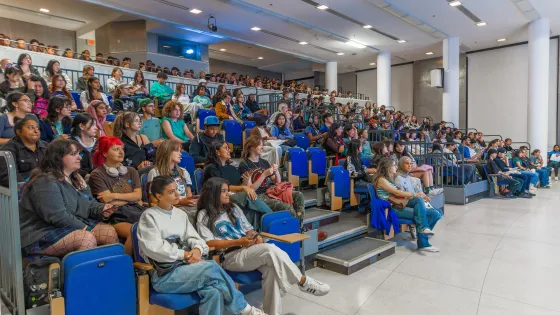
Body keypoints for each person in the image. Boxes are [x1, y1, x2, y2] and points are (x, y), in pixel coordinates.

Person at [196, 177, 329, 315]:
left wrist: (256, 236)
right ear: (213, 193)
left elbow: (248, 229)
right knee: (269, 250)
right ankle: (302, 281)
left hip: (247, 248)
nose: (227, 194)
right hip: (229, 256)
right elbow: (208, 243)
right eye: (223, 191)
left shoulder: (233, 208)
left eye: (227, 191)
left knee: (271, 270)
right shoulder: (204, 215)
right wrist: (238, 242)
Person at [137, 176, 267, 315]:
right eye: (171, 192)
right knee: (211, 266)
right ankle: (245, 310)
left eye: (176, 190)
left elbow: (195, 238)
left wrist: (198, 249)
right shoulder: (149, 216)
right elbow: (155, 249)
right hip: (165, 276)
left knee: (214, 292)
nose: (177, 195)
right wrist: (185, 254)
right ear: (159, 196)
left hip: (189, 267)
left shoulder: (180, 214)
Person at [19, 139, 119, 257]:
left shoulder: (76, 178)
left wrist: (102, 209)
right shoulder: (45, 181)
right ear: (58, 158)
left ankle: (107, 272)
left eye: (78, 153)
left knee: (109, 232)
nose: (79, 158)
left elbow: (89, 204)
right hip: (40, 232)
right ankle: (86, 275)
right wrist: (85, 228)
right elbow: (58, 216)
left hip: (66, 225)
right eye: (73, 154)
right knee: (85, 239)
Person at [89, 136, 146, 255]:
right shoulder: (97, 174)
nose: (121, 152)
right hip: (115, 216)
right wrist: (130, 198)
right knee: (135, 231)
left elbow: (138, 196)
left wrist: (113, 195)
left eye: (122, 149)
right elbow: (107, 202)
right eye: (116, 149)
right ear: (105, 153)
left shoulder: (131, 171)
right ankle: (124, 263)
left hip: (135, 210)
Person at [374, 158, 441, 252]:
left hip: (400, 204)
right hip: (393, 208)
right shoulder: (381, 180)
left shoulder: (390, 178)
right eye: (394, 165)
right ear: (387, 167)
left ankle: (423, 231)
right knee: (425, 210)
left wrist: (419, 195)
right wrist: (414, 194)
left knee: (434, 213)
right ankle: (423, 240)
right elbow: (396, 193)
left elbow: (400, 193)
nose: (396, 167)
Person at [238, 136, 305, 218]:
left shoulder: (264, 162)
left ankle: (299, 225)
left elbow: (277, 182)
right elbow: (251, 190)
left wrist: (276, 171)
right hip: (257, 196)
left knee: (299, 195)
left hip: (269, 192)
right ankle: (293, 227)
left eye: (262, 144)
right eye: (259, 145)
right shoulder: (244, 165)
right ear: (251, 147)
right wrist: (264, 175)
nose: (262, 147)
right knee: (287, 208)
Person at [394, 156, 445, 239]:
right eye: (407, 163)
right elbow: (402, 196)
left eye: (410, 163)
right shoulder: (398, 178)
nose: (409, 165)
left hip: (415, 201)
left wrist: (423, 196)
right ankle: (422, 234)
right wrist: (417, 196)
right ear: (401, 164)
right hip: (406, 204)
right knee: (434, 213)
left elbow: (417, 191)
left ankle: (423, 234)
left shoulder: (410, 177)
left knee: (439, 212)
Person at [147, 139, 197, 213]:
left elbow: (188, 195)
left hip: (184, 206)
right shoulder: (155, 173)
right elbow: (154, 201)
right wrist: (179, 202)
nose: (180, 154)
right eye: (177, 151)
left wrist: (192, 200)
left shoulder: (183, 172)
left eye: (180, 151)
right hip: (166, 209)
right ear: (166, 152)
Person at [0, 116, 46, 186]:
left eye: (37, 128)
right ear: (19, 132)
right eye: (31, 127)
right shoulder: (8, 149)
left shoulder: (46, 147)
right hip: (23, 192)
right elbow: (7, 176)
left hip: (48, 186)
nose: (36, 131)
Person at [70, 113, 97, 178]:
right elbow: (69, 166)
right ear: (81, 126)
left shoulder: (98, 143)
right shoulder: (70, 144)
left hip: (97, 177)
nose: (96, 128)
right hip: (78, 179)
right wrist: (85, 175)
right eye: (92, 125)